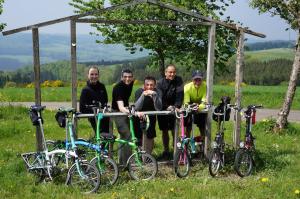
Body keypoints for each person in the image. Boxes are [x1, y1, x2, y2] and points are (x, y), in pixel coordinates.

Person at [156, 64, 184, 159]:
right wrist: (167, 107)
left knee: (174, 130)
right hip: (163, 108)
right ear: (165, 73)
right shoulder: (160, 83)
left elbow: (180, 94)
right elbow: (159, 98)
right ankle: (166, 150)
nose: (172, 74)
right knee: (164, 131)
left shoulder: (178, 80)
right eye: (170, 72)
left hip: (175, 108)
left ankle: (176, 150)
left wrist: (176, 106)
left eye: (174, 72)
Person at [134, 76, 162, 155]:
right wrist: (143, 95)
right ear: (144, 85)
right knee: (139, 137)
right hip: (139, 117)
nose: (149, 87)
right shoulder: (139, 91)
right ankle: (140, 156)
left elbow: (158, 108)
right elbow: (136, 107)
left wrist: (155, 96)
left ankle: (148, 156)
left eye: (151, 85)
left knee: (150, 136)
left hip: (152, 117)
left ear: (155, 85)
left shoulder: (157, 92)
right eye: (147, 85)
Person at [111, 69, 134, 166]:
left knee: (123, 137)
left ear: (132, 78)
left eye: (129, 77)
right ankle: (126, 162)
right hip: (117, 112)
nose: (127, 79)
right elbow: (120, 107)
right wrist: (131, 112)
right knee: (128, 136)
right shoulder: (118, 87)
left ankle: (122, 162)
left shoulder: (130, 84)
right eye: (125, 77)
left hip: (125, 111)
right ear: (121, 77)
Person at [79, 66, 109, 134]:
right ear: (88, 75)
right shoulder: (85, 90)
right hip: (94, 117)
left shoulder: (102, 87)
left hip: (104, 116)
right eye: (92, 74)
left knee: (108, 137)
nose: (94, 76)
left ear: (98, 75)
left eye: (96, 74)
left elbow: (105, 101)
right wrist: (95, 109)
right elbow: (82, 109)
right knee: (101, 136)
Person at [184, 70, 207, 137]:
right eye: (195, 80)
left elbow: (204, 102)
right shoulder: (187, 87)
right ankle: (186, 143)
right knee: (188, 127)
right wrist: (191, 106)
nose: (197, 82)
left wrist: (199, 107)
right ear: (192, 79)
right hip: (190, 104)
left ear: (202, 79)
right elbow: (186, 103)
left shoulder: (205, 86)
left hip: (200, 105)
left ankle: (203, 144)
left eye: (199, 80)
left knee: (202, 126)